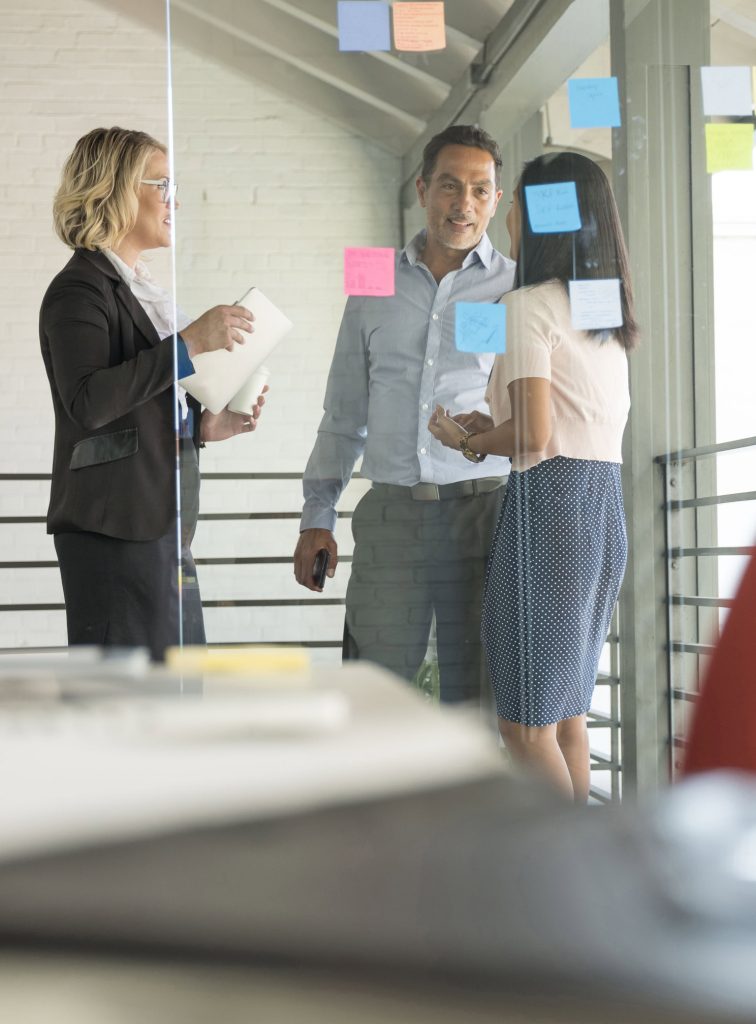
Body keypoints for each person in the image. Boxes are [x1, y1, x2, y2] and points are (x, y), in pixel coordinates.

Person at [429, 151, 638, 798]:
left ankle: (561, 885)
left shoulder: (527, 306)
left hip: (549, 513)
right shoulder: (606, 317)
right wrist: (490, 421)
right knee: (567, 719)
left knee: (524, 730)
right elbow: (564, 419)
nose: (507, 212)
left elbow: (533, 436)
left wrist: (464, 439)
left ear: (540, 216)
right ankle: (584, 879)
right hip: (602, 514)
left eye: (514, 199)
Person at [294, 125, 515, 703]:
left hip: (482, 515)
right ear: (422, 189)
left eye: (478, 189)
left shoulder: (514, 288)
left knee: (477, 701)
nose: (462, 204)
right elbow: (343, 411)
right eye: (448, 185)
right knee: (373, 692)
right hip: (391, 517)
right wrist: (317, 514)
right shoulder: (371, 282)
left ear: (496, 199)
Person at [40, 127, 267, 660]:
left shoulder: (139, 289)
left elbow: (140, 397)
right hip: (113, 528)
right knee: (125, 710)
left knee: (179, 696)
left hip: (158, 526)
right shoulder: (79, 288)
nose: (175, 200)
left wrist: (204, 426)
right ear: (118, 188)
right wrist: (188, 344)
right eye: (162, 185)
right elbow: (90, 401)